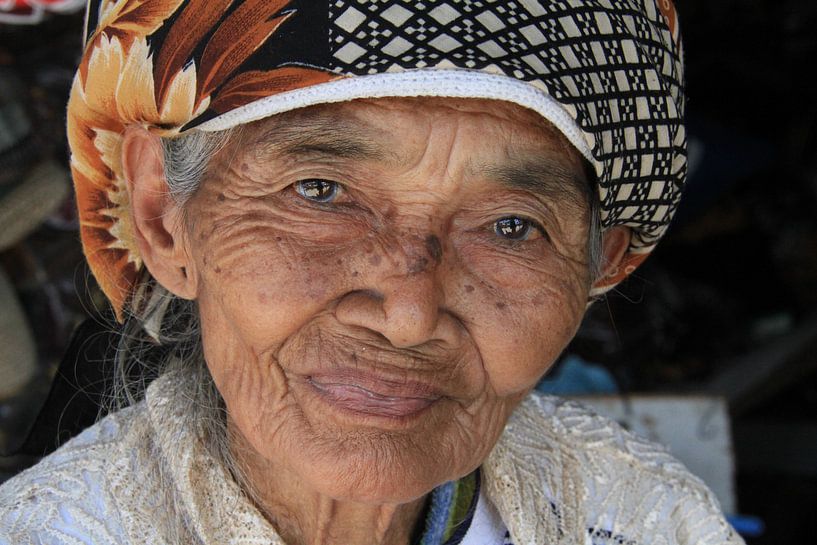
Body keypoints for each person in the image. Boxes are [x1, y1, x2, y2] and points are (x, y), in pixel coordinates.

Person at [0, 1, 743, 544]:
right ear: (163, 215)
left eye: (510, 225)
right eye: (319, 192)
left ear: (597, 264)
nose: (408, 313)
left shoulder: (648, 518)